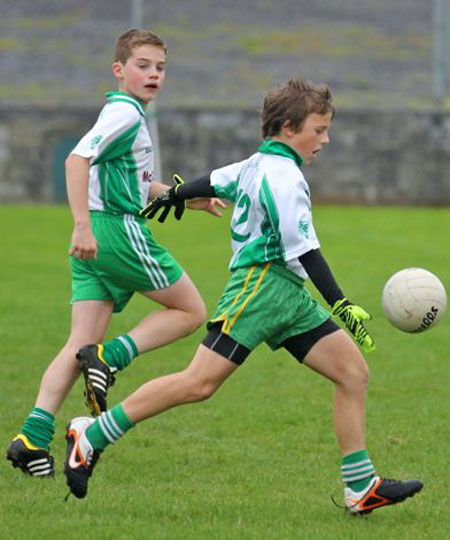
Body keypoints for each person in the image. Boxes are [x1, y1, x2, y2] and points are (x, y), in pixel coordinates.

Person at [63, 78, 423, 514]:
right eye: (319, 128)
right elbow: (304, 248)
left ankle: (360, 485)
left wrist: (175, 194)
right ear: (290, 127)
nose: (325, 140)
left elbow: (213, 181)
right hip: (259, 290)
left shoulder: (256, 164)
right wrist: (340, 303)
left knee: (352, 373)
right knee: (198, 383)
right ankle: (92, 436)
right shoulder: (283, 176)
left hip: (287, 295)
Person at [6, 28, 224, 477]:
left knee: (78, 343)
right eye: (143, 66)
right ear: (119, 70)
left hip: (96, 239)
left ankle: (31, 436)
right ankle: (113, 357)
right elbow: (75, 161)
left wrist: (185, 198)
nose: (153, 75)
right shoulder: (124, 115)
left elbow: (137, 185)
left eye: (160, 68)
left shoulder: (122, 114)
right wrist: (83, 226)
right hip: (114, 232)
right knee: (190, 310)